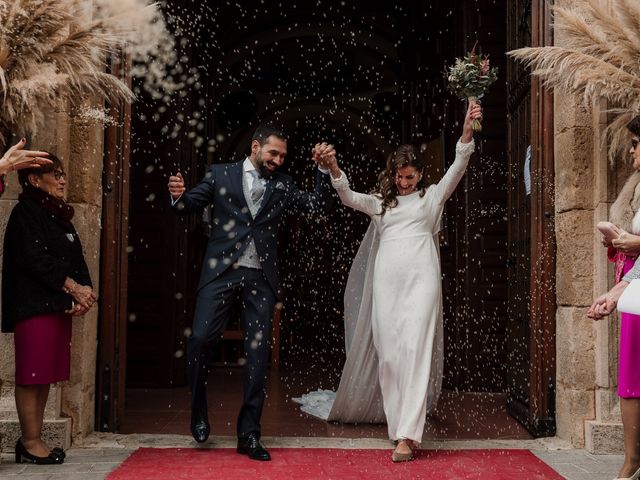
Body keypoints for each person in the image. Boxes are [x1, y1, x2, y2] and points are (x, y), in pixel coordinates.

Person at [298, 101, 481, 462]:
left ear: (419, 175)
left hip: (422, 281)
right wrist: (333, 167)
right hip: (387, 284)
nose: (404, 181)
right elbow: (348, 197)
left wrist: (467, 127)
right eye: (400, 177)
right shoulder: (382, 204)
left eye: (410, 176)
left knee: (415, 352)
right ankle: (397, 427)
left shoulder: (432, 198)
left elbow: (459, 165)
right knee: (390, 356)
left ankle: (407, 436)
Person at [167, 124, 335, 461]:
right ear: (256, 147)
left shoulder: (283, 185)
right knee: (200, 340)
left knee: (258, 359)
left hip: (261, 280)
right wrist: (177, 194)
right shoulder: (220, 174)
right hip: (220, 274)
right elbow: (187, 206)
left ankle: (250, 434)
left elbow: (318, 205)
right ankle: (199, 412)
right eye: (273, 153)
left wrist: (323, 170)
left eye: (283, 156)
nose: (277, 160)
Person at [2, 154, 96, 465]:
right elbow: (33, 258)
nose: (63, 180)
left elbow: (75, 254)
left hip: (54, 305)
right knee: (31, 375)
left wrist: (85, 290)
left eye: (62, 173)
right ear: (33, 180)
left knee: (43, 376)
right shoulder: (25, 212)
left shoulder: (58, 214)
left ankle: (34, 439)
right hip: (33, 306)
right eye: (55, 175)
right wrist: (73, 287)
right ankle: (29, 442)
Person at [588, 117, 640, 480]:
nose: (633, 150)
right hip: (637, 297)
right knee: (631, 383)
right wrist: (612, 294)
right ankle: (632, 460)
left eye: (637, 143)